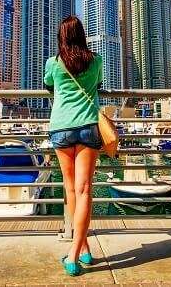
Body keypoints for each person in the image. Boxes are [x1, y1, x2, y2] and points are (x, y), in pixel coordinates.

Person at [43, 16, 103, 277]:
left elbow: (49, 86)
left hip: (61, 128)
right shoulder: (96, 60)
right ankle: (82, 249)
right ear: (82, 35)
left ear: (62, 37)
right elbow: (98, 85)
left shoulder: (53, 63)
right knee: (85, 190)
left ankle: (75, 253)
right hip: (88, 126)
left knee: (71, 190)